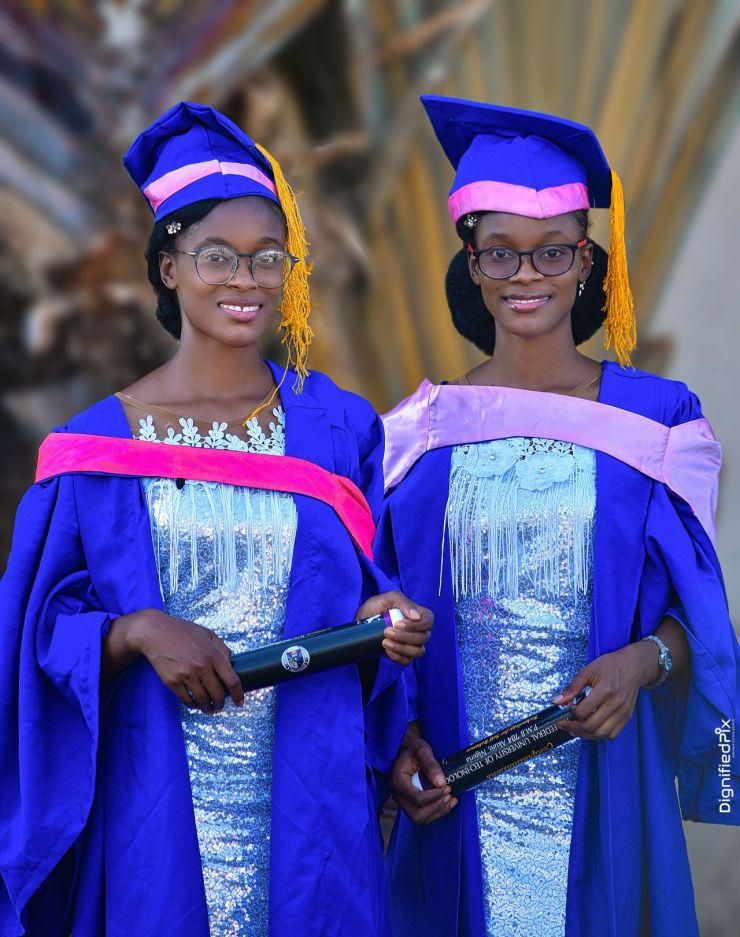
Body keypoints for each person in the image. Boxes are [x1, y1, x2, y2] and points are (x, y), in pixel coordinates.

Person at [0, 101, 432, 937]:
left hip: (313, 799)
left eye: (268, 258)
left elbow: (372, 588)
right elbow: (34, 631)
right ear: (168, 266)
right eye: (217, 256)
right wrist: (133, 632)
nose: (246, 279)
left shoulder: (336, 427)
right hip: (151, 800)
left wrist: (385, 620)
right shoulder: (90, 449)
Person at [380, 95, 739, 937]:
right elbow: (378, 626)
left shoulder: (660, 427)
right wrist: (394, 745)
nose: (527, 275)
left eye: (552, 252)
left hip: (606, 781)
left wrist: (642, 661)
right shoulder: (414, 435)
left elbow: (700, 619)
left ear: (588, 263)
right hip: (454, 801)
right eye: (499, 253)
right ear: (470, 264)